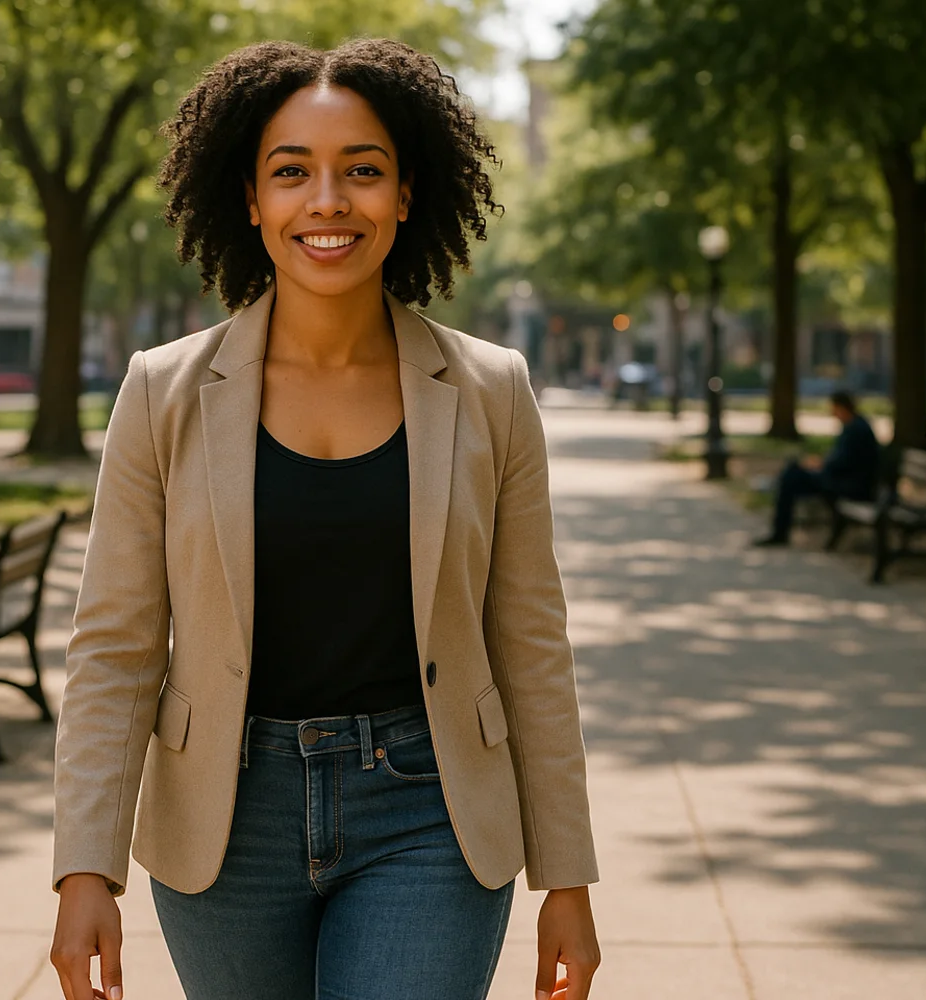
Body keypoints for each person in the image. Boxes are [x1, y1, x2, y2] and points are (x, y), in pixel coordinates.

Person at [51, 39, 601, 1000]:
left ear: (407, 193)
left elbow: (529, 644)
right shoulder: (162, 393)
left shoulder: (491, 392)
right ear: (252, 200)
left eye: (363, 171)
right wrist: (84, 867)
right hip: (225, 823)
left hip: (430, 809)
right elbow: (117, 647)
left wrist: (568, 876)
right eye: (292, 172)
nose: (329, 201)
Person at [754, 390, 881, 547]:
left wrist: (821, 465)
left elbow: (842, 463)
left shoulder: (855, 429)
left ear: (841, 407)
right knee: (792, 474)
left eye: (833, 408)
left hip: (849, 486)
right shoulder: (855, 425)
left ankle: (780, 531)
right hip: (846, 481)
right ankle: (779, 526)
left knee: (791, 476)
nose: (832, 412)